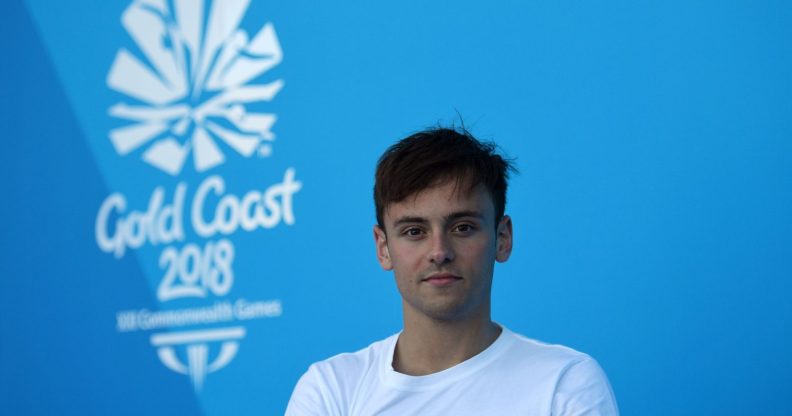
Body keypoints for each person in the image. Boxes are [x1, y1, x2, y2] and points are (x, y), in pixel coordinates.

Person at [285, 127, 619, 415]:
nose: (439, 252)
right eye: (414, 231)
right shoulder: (331, 390)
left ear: (502, 238)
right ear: (383, 248)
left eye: (462, 227)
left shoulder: (564, 383)